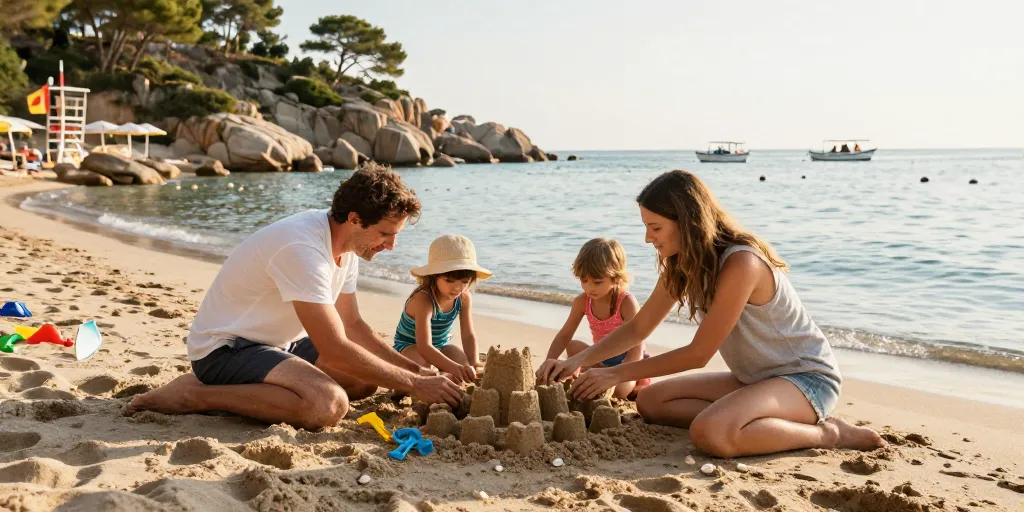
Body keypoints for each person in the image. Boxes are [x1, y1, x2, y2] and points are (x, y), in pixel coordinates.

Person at [537, 170, 885, 458]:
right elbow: (640, 327)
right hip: (755, 379)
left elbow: (699, 354)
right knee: (652, 401)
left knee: (711, 433)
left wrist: (615, 375)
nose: (647, 238)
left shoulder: (741, 263)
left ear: (686, 221)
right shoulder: (685, 264)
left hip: (807, 380)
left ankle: (828, 435)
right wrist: (577, 361)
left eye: (655, 227)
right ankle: (747, 416)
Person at [127, 165, 464, 429]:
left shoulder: (346, 245)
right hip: (226, 348)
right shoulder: (302, 248)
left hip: (280, 342)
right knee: (328, 405)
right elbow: (334, 346)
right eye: (385, 234)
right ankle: (194, 394)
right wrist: (413, 383)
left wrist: (420, 375)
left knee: (363, 382)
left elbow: (354, 326)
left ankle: (261, 388)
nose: (391, 246)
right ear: (355, 219)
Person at [539, 238, 649, 399]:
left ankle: (611, 380)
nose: (589, 288)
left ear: (616, 277)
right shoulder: (583, 301)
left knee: (619, 393)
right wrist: (549, 361)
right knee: (573, 346)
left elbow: (637, 347)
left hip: (630, 360)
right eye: (584, 281)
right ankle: (590, 375)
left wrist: (622, 375)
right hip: (601, 357)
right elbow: (564, 335)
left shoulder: (625, 302)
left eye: (597, 282)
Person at [393, 234, 489, 383]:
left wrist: (474, 362)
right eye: (449, 281)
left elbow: (468, 335)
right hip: (410, 346)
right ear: (433, 276)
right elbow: (424, 346)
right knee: (423, 368)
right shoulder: (423, 299)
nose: (457, 288)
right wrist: (454, 368)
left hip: (440, 345)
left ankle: (444, 377)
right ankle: (436, 378)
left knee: (463, 364)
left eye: (465, 281)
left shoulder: (463, 298)